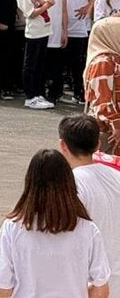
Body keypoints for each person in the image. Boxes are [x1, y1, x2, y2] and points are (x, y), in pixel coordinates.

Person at [0, 149, 110, 298]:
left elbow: (3, 289)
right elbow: (101, 289)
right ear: (69, 182)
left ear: (30, 183)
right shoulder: (88, 230)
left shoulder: (12, 227)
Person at [59, 114, 120, 298]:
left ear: (62, 145)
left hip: (86, 285)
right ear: (98, 145)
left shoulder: (70, 185)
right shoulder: (116, 177)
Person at [58, 0, 97, 105]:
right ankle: (57, 91)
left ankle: (79, 93)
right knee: (59, 61)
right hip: (60, 25)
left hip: (78, 25)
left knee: (77, 63)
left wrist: (88, 6)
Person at [17, 0, 55, 109]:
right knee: (30, 65)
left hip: (44, 31)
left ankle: (39, 93)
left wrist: (43, 0)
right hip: (33, 33)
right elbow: (31, 13)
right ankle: (30, 95)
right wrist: (46, 5)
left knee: (40, 65)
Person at [86, 17, 120, 154]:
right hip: (109, 133)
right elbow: (102, 102)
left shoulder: (114, 57)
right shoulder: (102, 62)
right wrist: (116, 125)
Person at [40, 0, 71, 105]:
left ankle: (55, 92)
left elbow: (64, 11)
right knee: (40, 64)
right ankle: (39, 91)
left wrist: (65, 32)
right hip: (40, 31)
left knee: (56, 65)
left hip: (56, 32)